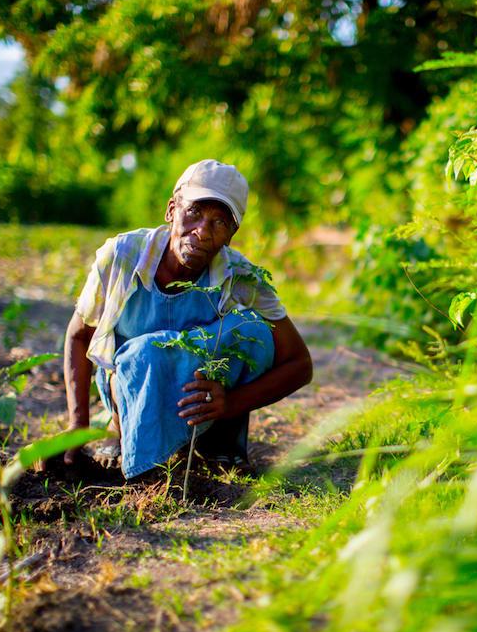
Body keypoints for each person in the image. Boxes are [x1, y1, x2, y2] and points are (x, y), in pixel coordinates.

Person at [62, 159, 312, 477]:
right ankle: (129, 440)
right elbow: (79, 335)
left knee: (254, 330)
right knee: (147, 354)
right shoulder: (122, 256)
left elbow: (300, 364)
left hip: (204, 405)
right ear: (171, 210)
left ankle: (218, 441)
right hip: (130, 390)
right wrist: (77, 425)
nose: (202, 233)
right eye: (193, 212)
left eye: (219, 222)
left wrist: (231, 404)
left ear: (231, 235)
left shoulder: (240, 276)